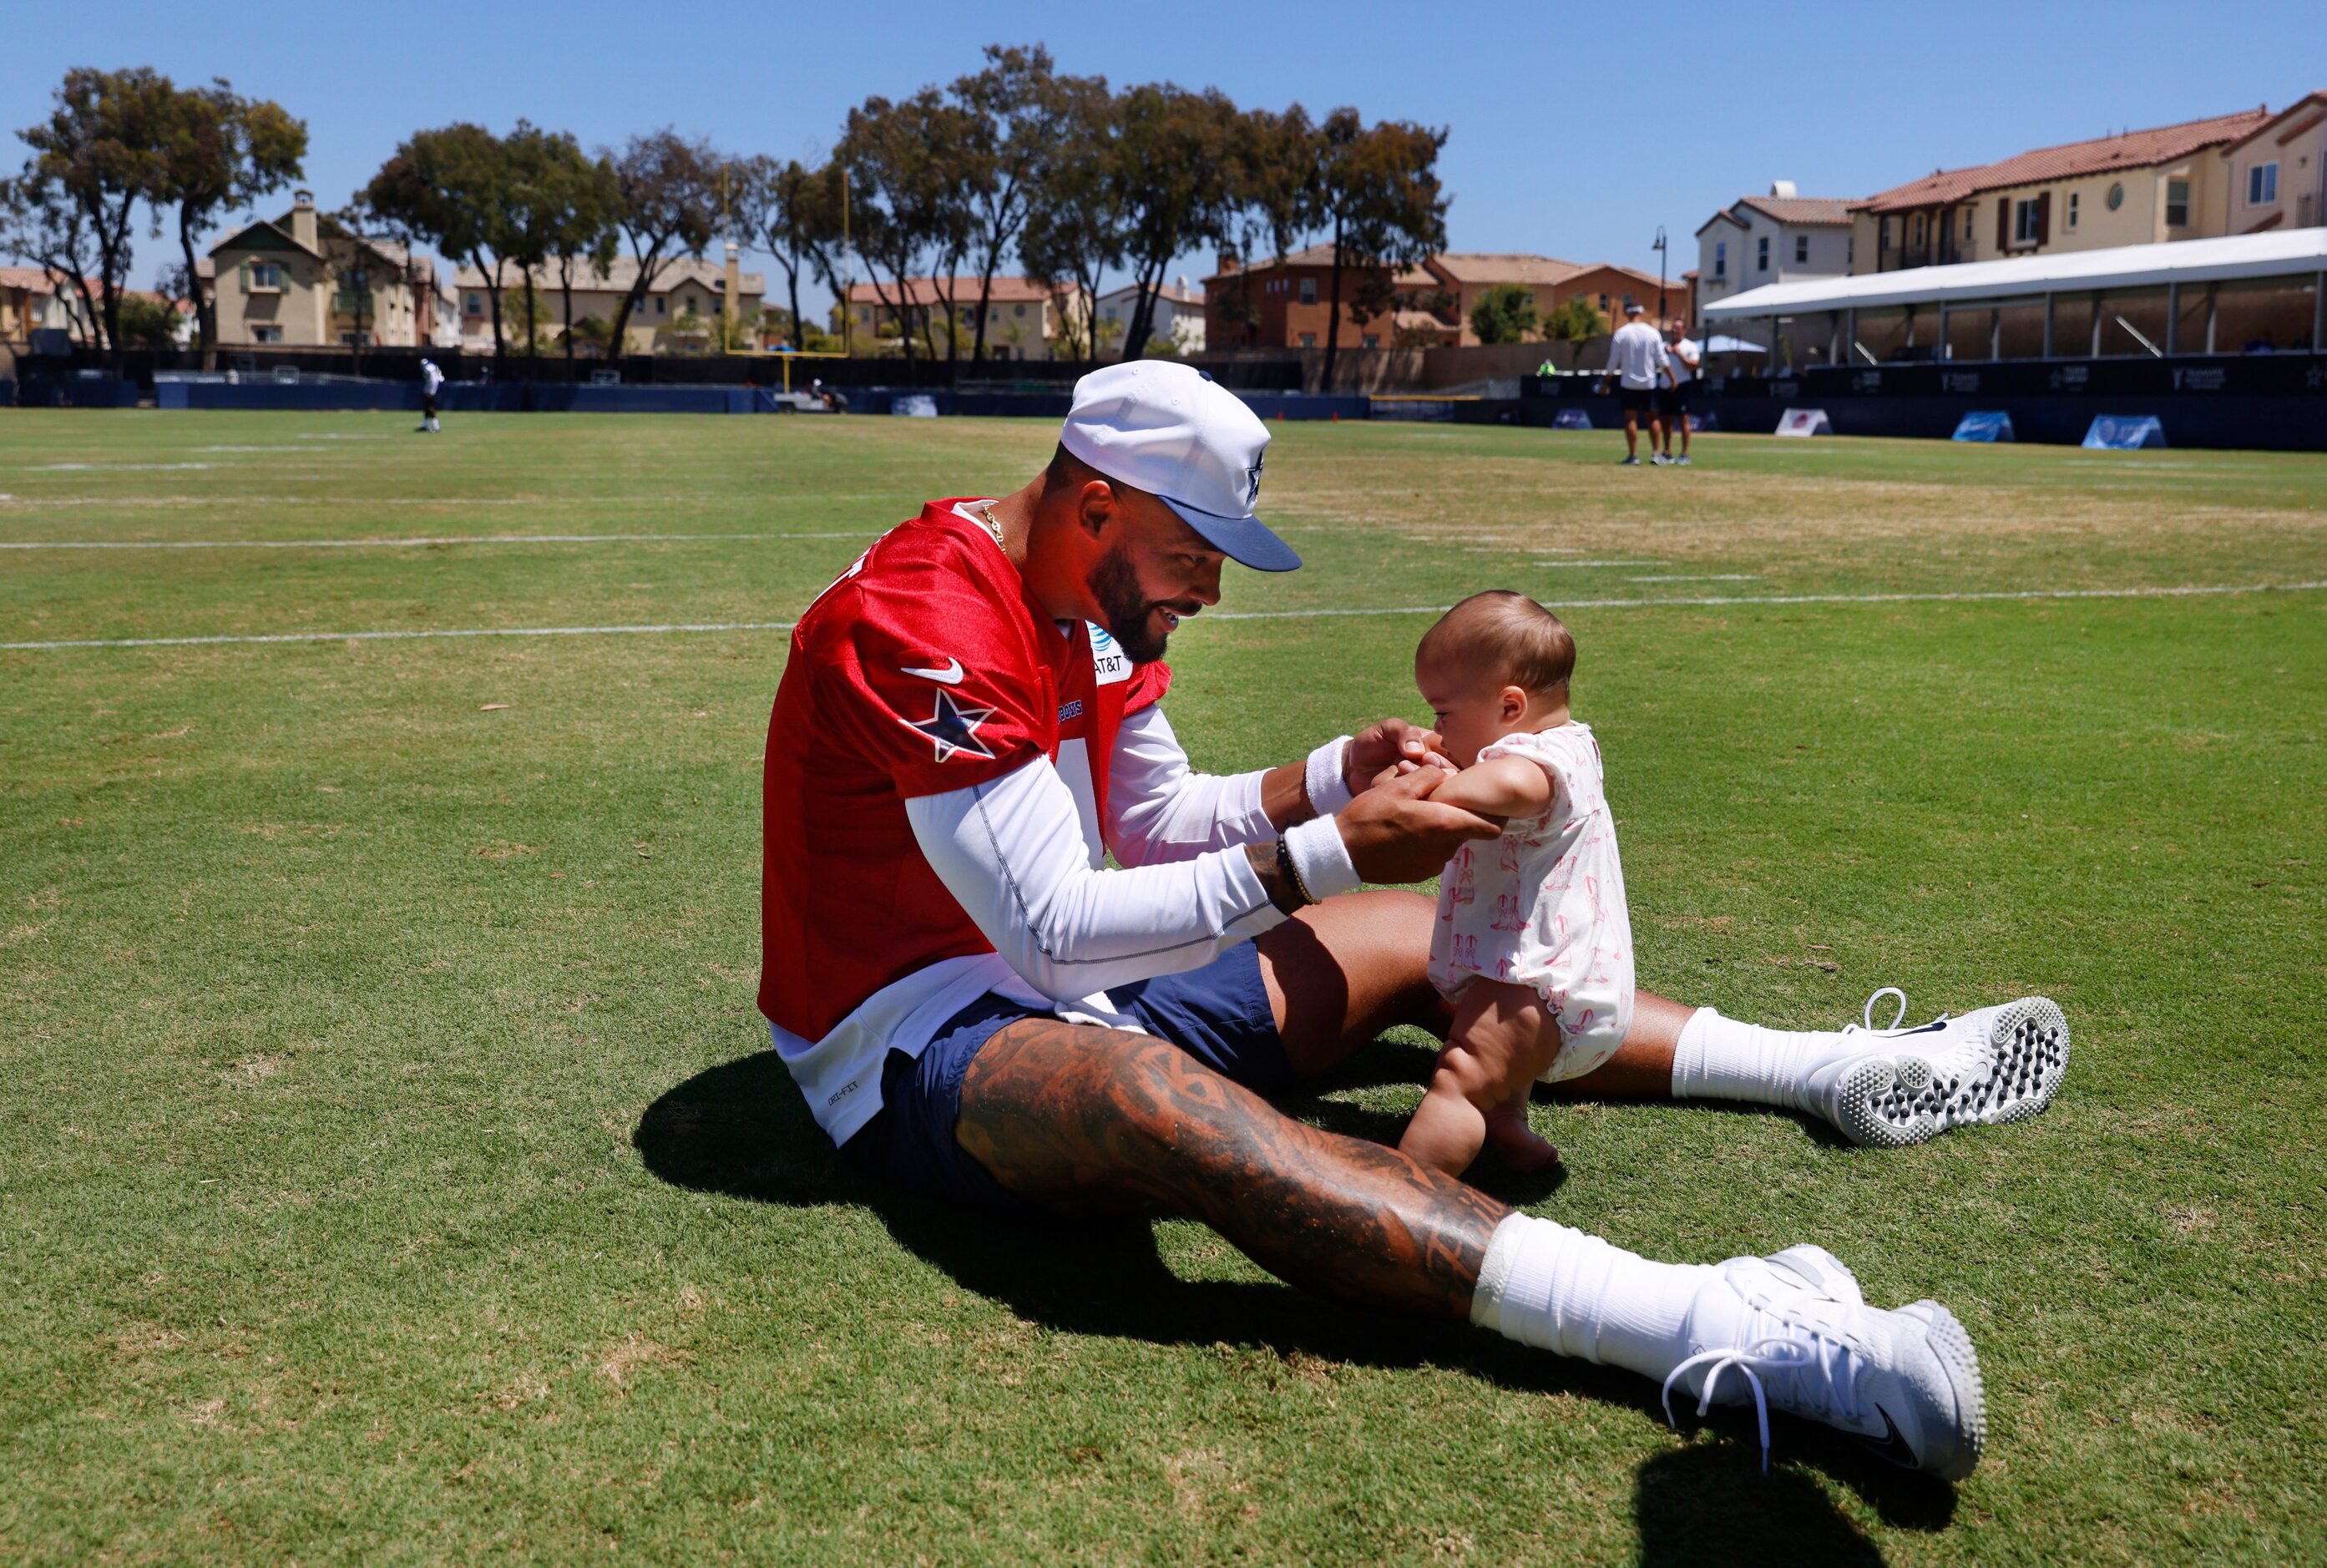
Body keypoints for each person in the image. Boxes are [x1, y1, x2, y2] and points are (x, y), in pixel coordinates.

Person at [759, 361, 2071, 1479]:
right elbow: (1047, 933)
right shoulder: (924, 619)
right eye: (1191, 551)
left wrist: (1336, 777)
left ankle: (1831, 1068)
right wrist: (1321, 851)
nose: (1207, 590)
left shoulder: (1090, 600)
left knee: (1414, 933)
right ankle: (1710, 1325)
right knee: (1148, 1092)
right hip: (909, 1040)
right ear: (1094, 504)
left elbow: (1154, 822)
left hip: (1062, 976)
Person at [1397, 593, 1631, 1178]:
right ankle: (1506, 1127)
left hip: (1539, 979)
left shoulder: (1545, 755)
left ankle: (1401, 1198)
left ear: (1509, 706)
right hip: (1527, 969)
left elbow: (1517, 784)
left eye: (1443, 713)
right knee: (1495, 1072)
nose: (1435, 728)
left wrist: (1433, 788)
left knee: (1459, 1074)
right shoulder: (1555, 745)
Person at [1599, 304, 1670, 466]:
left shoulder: (1622, 333)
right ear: (1642, 312)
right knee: (1653, 418)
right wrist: (1672, 379)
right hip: (1649, 383)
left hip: (1629, 383)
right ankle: (1656, 454)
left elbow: (1613, 362)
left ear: (1626, 314)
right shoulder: (1652, 333)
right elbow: (1662, 359)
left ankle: (1634, 455)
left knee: (1631, 418)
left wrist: (1606, 383)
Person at [1657, 324, 1702, 466]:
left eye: (1677, 328)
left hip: (1682, 386)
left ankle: (1684, 454)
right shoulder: (1664, 346)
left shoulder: (1690, 346)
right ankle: (1667, 452)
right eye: (1673, 328)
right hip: (1665, 386)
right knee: (1666, 421)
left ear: (1684, 330)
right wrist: (1666, 352)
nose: (1674, 330)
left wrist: (1679, 354)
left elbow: (1694, 365)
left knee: (1683, 420)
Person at [417, 357, 443, 433]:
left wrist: (430, 391)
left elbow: (430, 376)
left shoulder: (428, 367)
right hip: (431, 384)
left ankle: (436, 426)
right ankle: (425, 425)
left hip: (432, 385)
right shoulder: (432, 365)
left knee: (430, 406)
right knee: (427, 406)